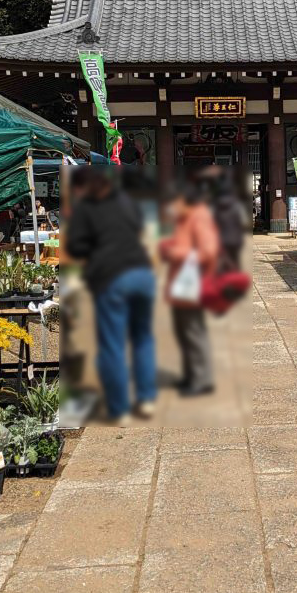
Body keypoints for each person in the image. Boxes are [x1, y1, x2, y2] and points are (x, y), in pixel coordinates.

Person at [64, 167, 157, 423]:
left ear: (81, 188)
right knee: (143, 338)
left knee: (112, 345)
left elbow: (75, 246)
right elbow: (139, 229)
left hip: (111, 278)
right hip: (141, 275)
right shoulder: (126, 201)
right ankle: (146, 399)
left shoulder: (85, 208)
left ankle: (119, 408)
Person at [160, 182, 220, 396]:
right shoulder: (184, 219)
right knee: (183, 330)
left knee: (193, 331)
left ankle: (201, 379)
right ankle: (191, 374)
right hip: (182, 283)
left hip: (193, 283)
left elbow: (208, 251)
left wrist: (177, 253)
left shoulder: (199, 218)